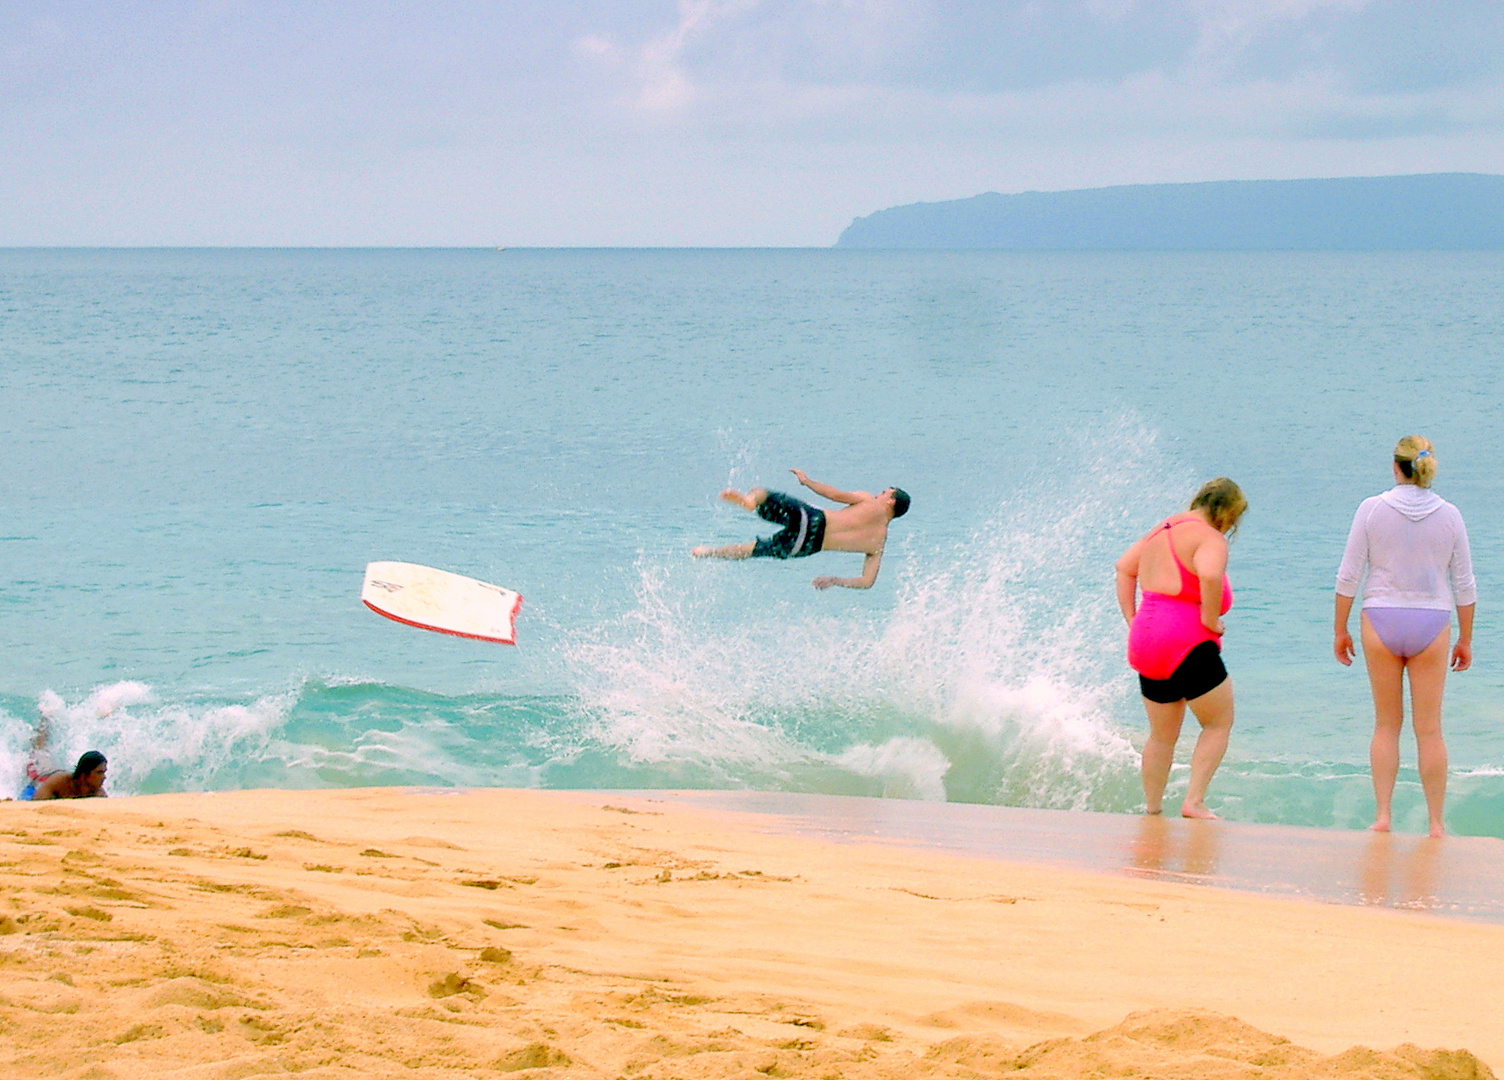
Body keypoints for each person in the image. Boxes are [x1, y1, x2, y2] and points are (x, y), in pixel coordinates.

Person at [1334, 436, 1474, 838]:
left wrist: (1339, 628)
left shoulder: (1371, 509)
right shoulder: (1450, 515)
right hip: (1432, 620)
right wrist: (1465, 637)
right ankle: (1435, 823)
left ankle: (1383, 817)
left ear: (1396, 466)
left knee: (1386, 725)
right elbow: (1464, 583)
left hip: (1380, 616)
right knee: (1429, 729)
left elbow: (1349, 575)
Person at [1115, 478, 1246, 819]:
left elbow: (1123, 568)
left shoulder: (1163, 527)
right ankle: (1194, 801)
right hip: (1187, 641)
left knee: (1161, 736)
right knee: (1218, 724)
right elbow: (1211, 575)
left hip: (1145, 641)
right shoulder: (1210, 538)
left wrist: (1132, 618)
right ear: (1228, 512)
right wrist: (1210, 621)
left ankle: (1153, 809)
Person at [692, 468, 910, 590]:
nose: (879, 494)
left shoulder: (868, 501)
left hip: (814, 519)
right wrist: (834, 580)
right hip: (808, 546)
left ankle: (750, 501)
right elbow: (866, 582)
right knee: (752, 549)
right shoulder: (878, 544)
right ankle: (708, 552)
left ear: (891, 501)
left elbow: (834, 495)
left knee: (760, 493)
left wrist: (807, 482)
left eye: (884, 492)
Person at [29, 750, 109, 800]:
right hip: (41, 780)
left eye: (104, 772)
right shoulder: (59, 782)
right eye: (99, 772)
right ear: (83, 774)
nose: (104, 777)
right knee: (37, 756)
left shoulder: (99, 795)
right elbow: (36, 804)